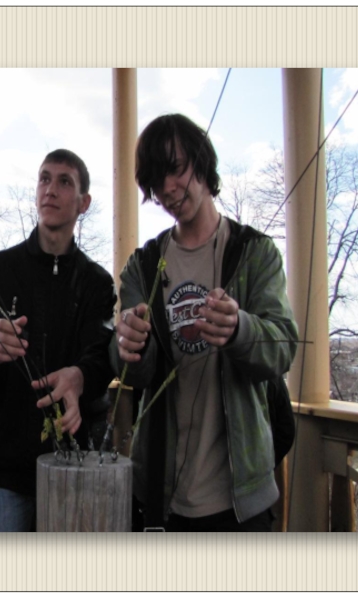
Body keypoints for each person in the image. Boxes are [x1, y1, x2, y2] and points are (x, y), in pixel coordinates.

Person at [112, 114, 298, 532]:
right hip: (160, 497)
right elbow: (133, 373)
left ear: (201, 162)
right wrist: (128, 344)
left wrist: (239, 329)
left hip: (241, 500)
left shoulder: (255, 253)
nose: (168, 188)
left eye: (176, 169)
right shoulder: (142, 266)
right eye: (156, 180)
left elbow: (284, 346)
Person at [0, 149, 116, 532]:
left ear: (84, 202)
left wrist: (80, 377)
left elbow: (104, 356)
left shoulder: (97, 283)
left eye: (64, 181)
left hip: (74, 469)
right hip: (4, 474)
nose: (50, 189)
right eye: (44, 179)